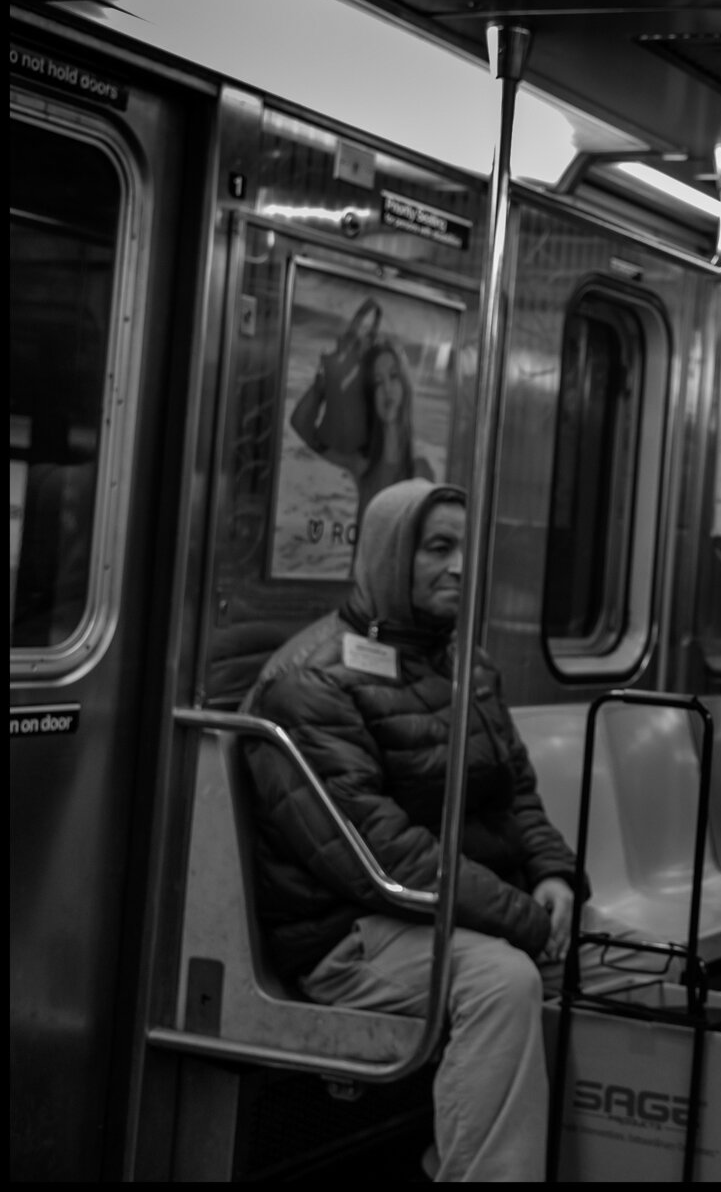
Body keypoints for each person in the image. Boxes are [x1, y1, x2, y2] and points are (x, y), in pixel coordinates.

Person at [241, 479, 584, 1181]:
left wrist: (552, 877)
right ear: (389, 555)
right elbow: (375, 851)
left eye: (467, 548)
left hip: (447, 912)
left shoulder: (464, 663)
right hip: (348, 929)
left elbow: (516, 792)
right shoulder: (313, 683)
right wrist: (521, 917)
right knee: (501, 981)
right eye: (437, 548)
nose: (460, 566)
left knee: (627, 958)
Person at [290, 307, 434, 521]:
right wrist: (326, 381)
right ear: (368, 393)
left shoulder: (420, 470)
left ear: (404, 384)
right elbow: (301, 424)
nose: (387, 389)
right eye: (377, 381)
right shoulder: (362, 462)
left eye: (393, 376)